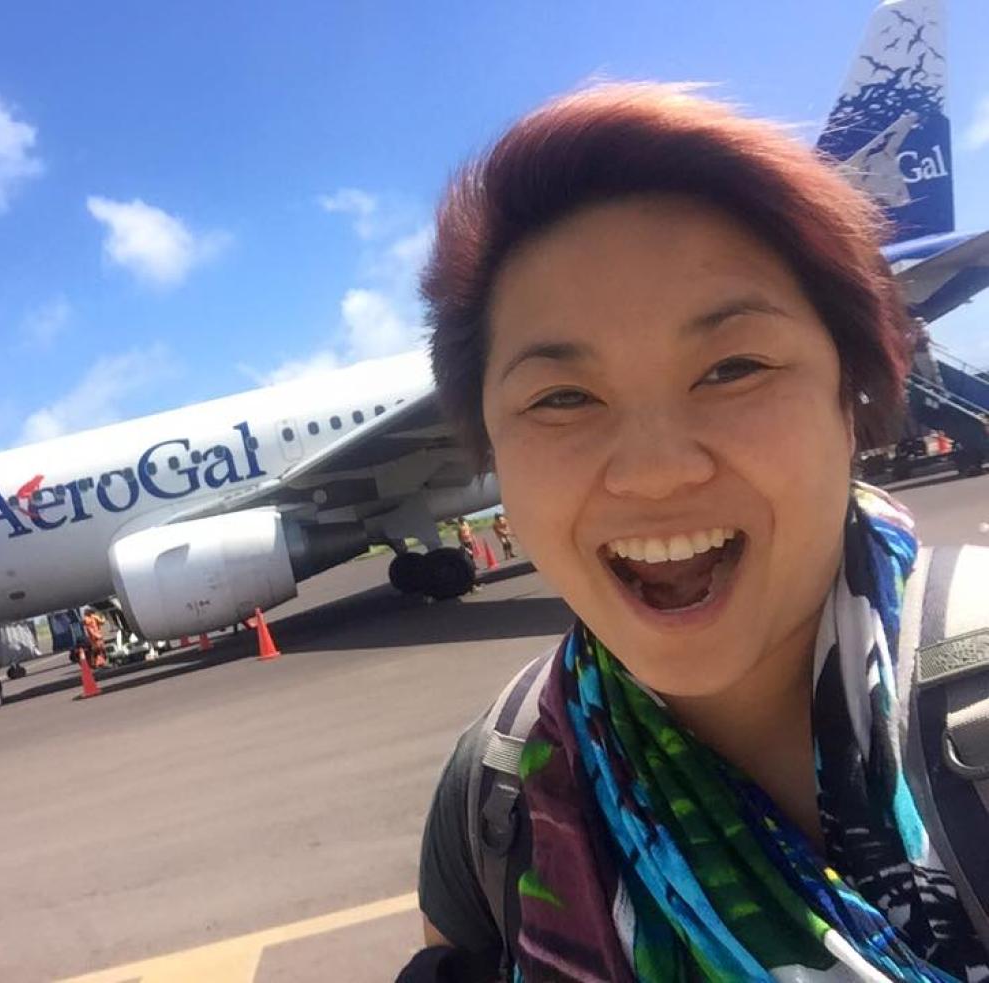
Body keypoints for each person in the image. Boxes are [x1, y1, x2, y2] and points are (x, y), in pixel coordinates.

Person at [410, 84, 988, 981]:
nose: (655, 471)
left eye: (732, 367)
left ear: (855, 394)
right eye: (563, 397)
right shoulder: (493, 796)